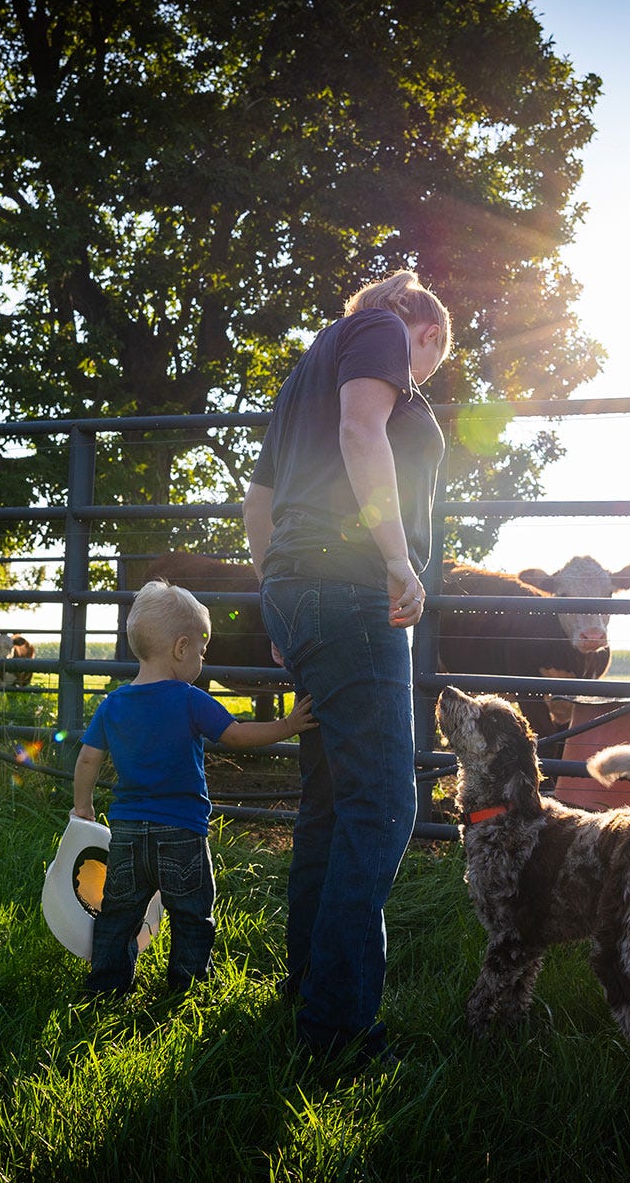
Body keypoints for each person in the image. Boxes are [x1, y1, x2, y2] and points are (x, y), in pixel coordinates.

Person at [243, 268, 451, 1069]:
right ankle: (339, 1031)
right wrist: (399, 560)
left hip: (303, 586)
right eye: (429, 365)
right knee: (384, 805)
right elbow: (364, 433)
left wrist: (279, 595)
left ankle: (308, 992)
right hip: (355, 586)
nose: (418, 380)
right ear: (423, 332)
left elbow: (257, 507)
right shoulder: (382, 331)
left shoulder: (307, 370)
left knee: (330, 803)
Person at [72, 579, 315, 994]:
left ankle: (106, 985)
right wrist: (288, 727)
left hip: (128, 832)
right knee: (191, 913)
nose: (201, 661)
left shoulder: (112, 703)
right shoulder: (189, 699)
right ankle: (186, 986)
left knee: (118, 913)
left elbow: (88, 758)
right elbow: (236, 735)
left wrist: (84, 807)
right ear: (181, 649)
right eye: (201, 652)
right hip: (181, 831)